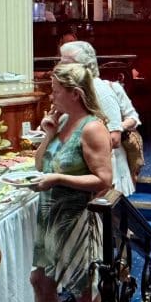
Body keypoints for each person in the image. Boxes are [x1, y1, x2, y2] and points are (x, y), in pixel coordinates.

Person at [18, 63, 113, 302]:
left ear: (74, 93)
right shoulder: (60, 122)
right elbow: (40, 163)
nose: (50, 94)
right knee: (41, 280)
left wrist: (59, 178)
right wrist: (47, 136)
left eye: (55, 89)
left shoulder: (92, 128)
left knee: (85, 292)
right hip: (50, 215)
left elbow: (103, 180)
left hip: (77, 217)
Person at [58, 41, 132, 194]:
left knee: (107, 218)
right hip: (86, 175)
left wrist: (77, 150)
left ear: (82, 65)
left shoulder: (100, 90)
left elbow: (115, 138)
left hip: (105, 175)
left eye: (65, 61)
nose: (59, 65)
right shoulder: (78, 90)